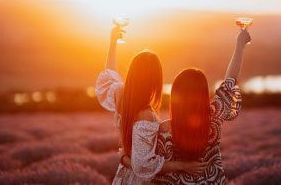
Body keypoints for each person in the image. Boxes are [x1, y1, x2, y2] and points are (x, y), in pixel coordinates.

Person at [95, 26, 206, 184]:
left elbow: (109, 74)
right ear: (154, 81)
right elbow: (142, 167)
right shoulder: (146, 116)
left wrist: (113, 42)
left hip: (123, 176)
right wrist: (183, 166)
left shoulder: (120, 94)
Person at [152, 29, 251, 184]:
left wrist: (124, 157)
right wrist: (240, 45)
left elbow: (153, 167)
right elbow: (230, 80)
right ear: (203, 94)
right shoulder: (214, 116)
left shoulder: (164, 129)